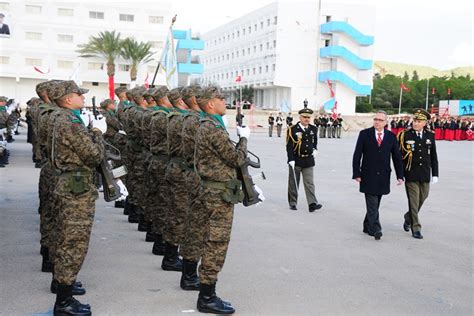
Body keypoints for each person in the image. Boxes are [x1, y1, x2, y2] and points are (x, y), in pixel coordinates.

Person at [49, 80, 106, 316]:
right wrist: (97, 133)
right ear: (67, 99)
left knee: (68, 240)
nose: (82, 98)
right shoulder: (70, 122)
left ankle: (65, 293)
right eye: (78, 95)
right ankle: (63, 302)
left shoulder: (65, 118)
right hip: (76, 188)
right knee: (74, 243)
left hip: (72, 184)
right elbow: (93, 155)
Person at [194, 85, 250, 314]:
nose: (223, 101)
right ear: (210, 104)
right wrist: (244, 139)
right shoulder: (213, 129)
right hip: (218, 195)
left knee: (211, 241)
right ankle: (207, 297)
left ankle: (207, 292)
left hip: (213, 191)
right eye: (220, 98)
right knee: (216, 243)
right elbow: (235, 158)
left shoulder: (208, 125)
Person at [352, 110, 404, 240]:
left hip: (383, 175)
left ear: (385, 122)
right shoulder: (364, 134)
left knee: (376, 202)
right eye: (375, 119)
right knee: (372, 201)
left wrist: (400, 175)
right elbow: (357, 155)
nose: (377, 122)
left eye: (380, 120)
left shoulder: (391, 136)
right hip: (367, 174)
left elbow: (397, 157)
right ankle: (375, 228)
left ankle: (366, 224)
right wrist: (356, 173)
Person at [398, 109, 439, 239]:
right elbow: (399, 157)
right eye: (414, 121)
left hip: (425, 173)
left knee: (423, 197)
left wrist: (435, 173)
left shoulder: (430, 135)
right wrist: (400, 174)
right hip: (410, 173)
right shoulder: (405, 135)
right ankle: (416, 227)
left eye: (419, 121)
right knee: (414, 201)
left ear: (425, 123)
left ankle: (408, 217)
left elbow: (433, 156)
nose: (416, 123)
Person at [286, 106, 322, 212]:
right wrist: (290, 159)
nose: (307, 119)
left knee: (309, 183)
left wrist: (315, 149)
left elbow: (314, 142)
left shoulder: (313, 129)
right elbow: (289, 146)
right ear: (300, 117)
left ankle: (312, 204)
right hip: (296, 159)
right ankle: (292, 202)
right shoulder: (292, 129)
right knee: (293, 183)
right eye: (304, 117)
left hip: (308, 160)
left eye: (308, 117)